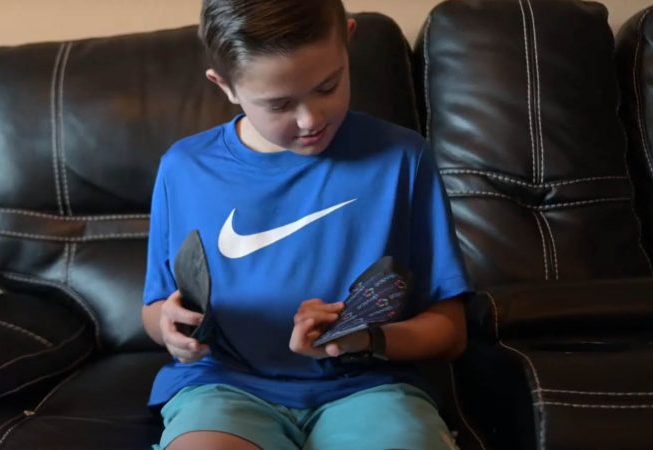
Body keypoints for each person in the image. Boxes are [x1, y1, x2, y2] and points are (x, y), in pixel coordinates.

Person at [141, 1, 472, 449]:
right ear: (226, 86)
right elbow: (155, 306)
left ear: (348, 40)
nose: (311, 120)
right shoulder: (183, 169)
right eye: (279, 104)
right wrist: (169, 327)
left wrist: (366, 339)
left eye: (328, 86)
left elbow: (450, 331)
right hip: (224, 388)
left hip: (369, 389)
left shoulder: (403, 159)